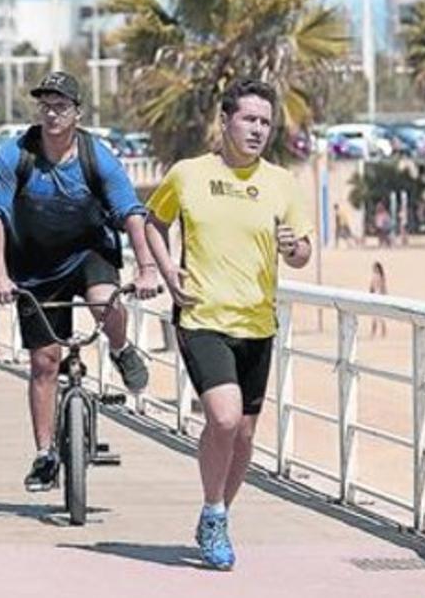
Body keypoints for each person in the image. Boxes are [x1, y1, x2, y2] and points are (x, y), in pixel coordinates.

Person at [143, 78, 312, 570]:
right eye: (249, 119)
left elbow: (302, 253)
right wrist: (163, 267)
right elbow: (154, 221)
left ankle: (215, 515)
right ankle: (214, 512)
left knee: (243, 434)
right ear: (225, 120)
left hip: (257, 322)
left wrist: (292, 248)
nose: (258, 129)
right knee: (222, 417)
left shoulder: (281, 182)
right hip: (201, 316)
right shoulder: (188, 174)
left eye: (265, 121)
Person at [0, 70, 160, 492]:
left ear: (77, 113)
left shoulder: (97, 157)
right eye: (45, 105)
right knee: (44, 362)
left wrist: (148, 267)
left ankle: (120, 348)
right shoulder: (15, 155)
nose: (52, 113)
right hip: (34, 263)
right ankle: (44, 454)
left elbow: (131, 212)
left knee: (104, 302)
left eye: (61, 106)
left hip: (88, 252)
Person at [369, 261, 388, 338]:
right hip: (374, 296)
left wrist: (384, 296)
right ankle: (373, 333)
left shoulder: (381, 277)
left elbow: (383, 288)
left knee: (380, 317)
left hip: (379, 296)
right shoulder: (374, 276)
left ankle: (383, 332)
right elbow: (371, 287)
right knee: (374, 317)